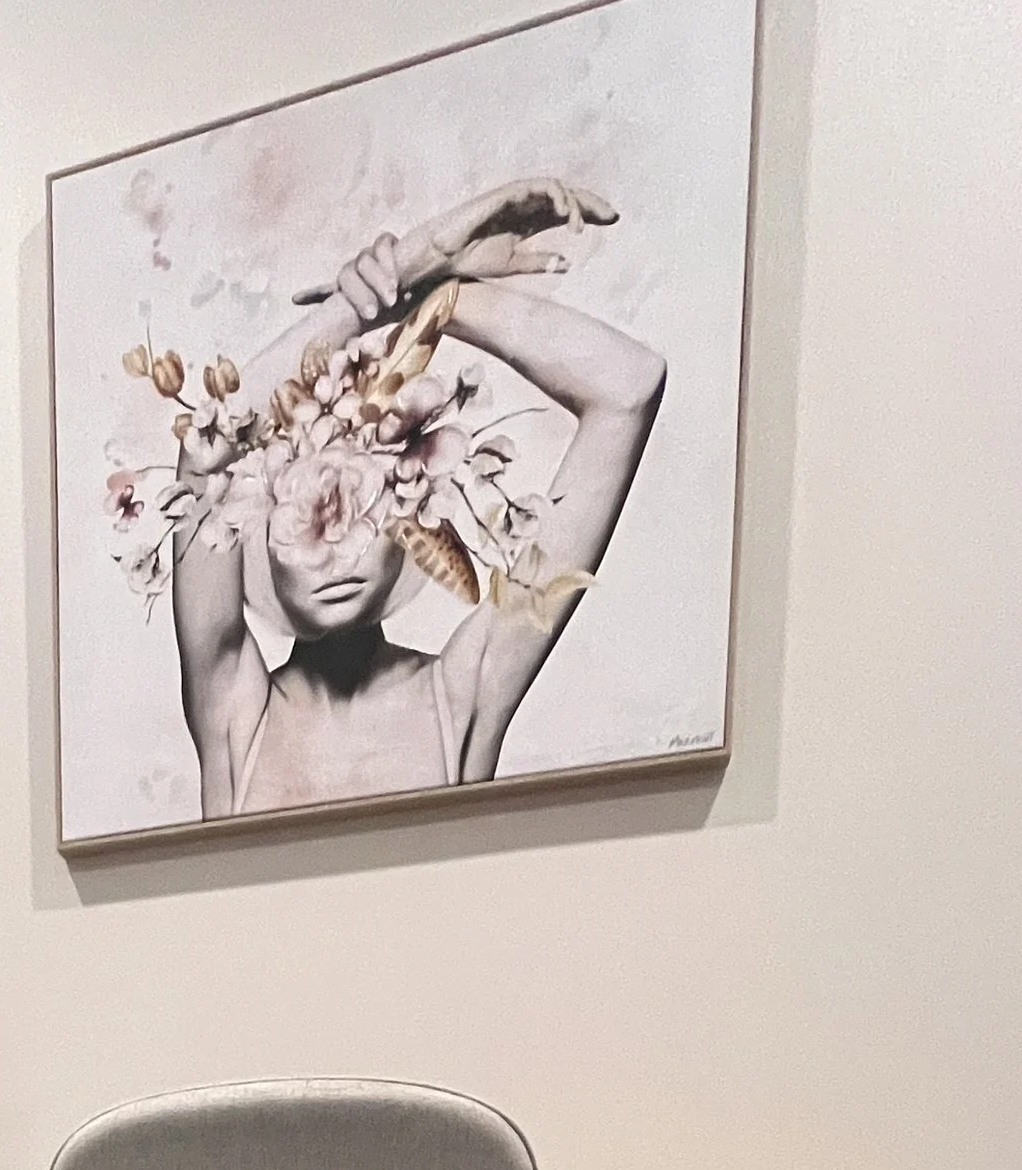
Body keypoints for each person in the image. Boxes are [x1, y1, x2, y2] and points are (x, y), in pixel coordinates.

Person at [166, 179, 666, 815]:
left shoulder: (460, 696)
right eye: (306, 512)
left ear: (408, 509)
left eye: (360, 500)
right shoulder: (233, 711)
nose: (335, 553)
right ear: (256, 530)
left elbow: (629, 386)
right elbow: (208, 447)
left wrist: (436, 296)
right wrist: (398, 273)